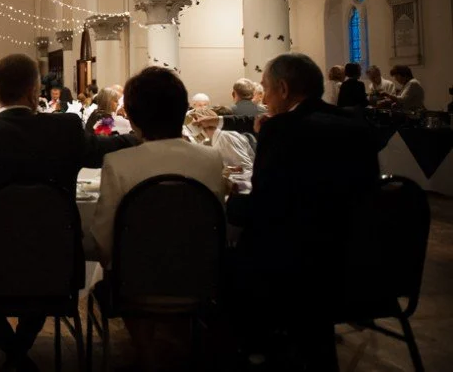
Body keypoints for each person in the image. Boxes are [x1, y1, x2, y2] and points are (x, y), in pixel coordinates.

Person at [0, 54, 132, 367]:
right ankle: (19, 349)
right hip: (56, 265)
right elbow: (107, 150)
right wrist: (147, 133)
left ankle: (11, 348)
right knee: (41, 271)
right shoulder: (64, 130)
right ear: (34, 90)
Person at [209, 53, 382, 367]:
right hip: (358, 265)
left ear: (284, 90)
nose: (264, 99)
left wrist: (232, 202)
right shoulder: (356, 122)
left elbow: (264, 203)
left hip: (295, 267)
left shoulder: (283, 129)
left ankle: (254, 350)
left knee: (220, 264)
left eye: (266, 90)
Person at [90, 68, 226, 371]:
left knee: (119, 273)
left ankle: (148, 355)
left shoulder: (118, 162)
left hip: (135, 286)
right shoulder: (211, 160)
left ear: (133, 119)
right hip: (201, 280)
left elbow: (103, 239)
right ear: (183, 111)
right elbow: (218, 228)